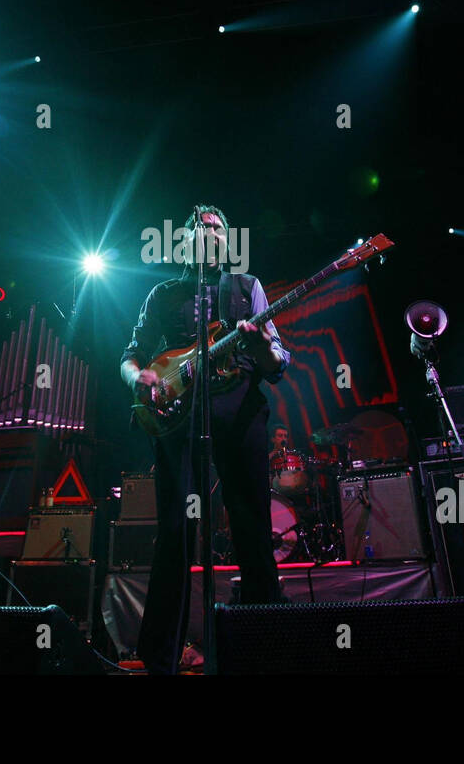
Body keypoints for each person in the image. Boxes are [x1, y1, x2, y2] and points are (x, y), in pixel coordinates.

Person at [120, 204, 291, 674]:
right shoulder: (162, 293)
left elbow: (277, 364)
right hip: (178, 418)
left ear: (228, 240)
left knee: (253, 527)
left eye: (215, 228)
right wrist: (139, 377)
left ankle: (264, 649)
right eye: (198, 228)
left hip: (239, 410)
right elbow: (130, 354)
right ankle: (159, 657)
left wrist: (257, 344)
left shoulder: (247, 287)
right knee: (175, 532)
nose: (207, 233)